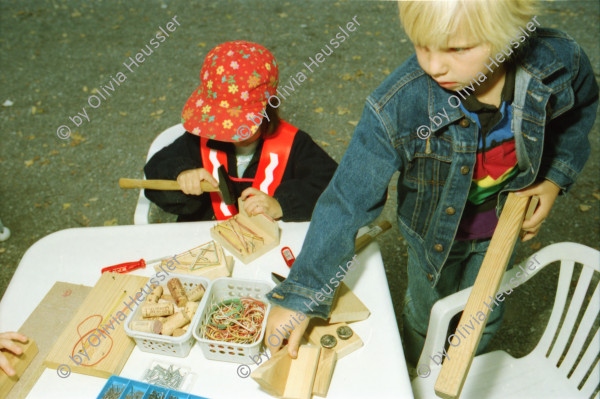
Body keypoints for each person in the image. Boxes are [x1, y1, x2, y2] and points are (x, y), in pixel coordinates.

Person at [264, 0, 598, 366]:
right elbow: (347, 200)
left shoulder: (557, 60)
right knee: (426, 315)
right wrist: (301, 296)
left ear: (512, 33)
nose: (433, 65)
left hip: (504, 227)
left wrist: (554, 177)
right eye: (421, 45)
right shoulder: (397, 104)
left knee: (482, 318)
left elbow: (580, 105)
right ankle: (416, 367)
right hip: (431, 239)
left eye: (457, 49)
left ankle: (465, 370)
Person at [144, 41, 337, 222]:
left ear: (269, 110)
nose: (231, 134)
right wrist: (181, 174)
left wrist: (282, 204)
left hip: (268, 243)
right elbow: (155, 169)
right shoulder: (198, 140)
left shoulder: (294, 144)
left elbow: (334, 185)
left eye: (239, 126)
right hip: (205, 239)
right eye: (222, 123)